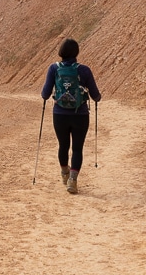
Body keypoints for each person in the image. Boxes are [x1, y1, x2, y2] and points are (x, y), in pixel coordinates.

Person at [41, 38, 101, 194]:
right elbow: (96, 95)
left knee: (63, 145)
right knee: (77, 148)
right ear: (77, 52)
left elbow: (45, 93)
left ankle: (64, 173)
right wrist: (95, 97)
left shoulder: (53, 68)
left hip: (59, 114)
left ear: (61, 51)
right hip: (80, 115)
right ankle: (73, 180)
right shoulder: (84, 70)